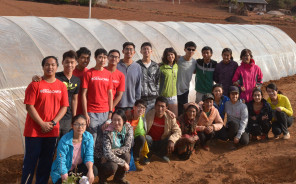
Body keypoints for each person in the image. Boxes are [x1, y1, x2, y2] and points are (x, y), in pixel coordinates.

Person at [21, 56, 68, 184]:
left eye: (53, 65)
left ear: (57, 67)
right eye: (47, 64)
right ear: (43, 67)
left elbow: (64, 107)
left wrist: (53, 123)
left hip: (52, 131)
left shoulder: (61, 86)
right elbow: (29, 106)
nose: (50, 67)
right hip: (34, 131)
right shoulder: (35, 84)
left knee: (46, 162)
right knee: (30, 161)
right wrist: (42, 123)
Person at [32, 50, 81, 137]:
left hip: (68, 117)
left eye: (72, 62)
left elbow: (74, 99)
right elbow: (42, 81)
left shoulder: (76, 80)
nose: (69, 65)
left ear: (76, 63)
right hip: (55, 116)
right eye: (67, 62)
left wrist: (74, 116)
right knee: (53, 141)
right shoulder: (56, 76)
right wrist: (35, 78)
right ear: (62, 63)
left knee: (65, 142)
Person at [51, 115, 98, 184]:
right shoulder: (64, 140)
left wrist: (90, 171)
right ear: (72, 125)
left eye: (83, 124)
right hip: (64, 171)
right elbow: (61, 160)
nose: (80, 127)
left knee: (93, 170)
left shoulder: (88, 137)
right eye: (77, 124)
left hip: (78, 169)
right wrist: (65, 177)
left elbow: (89, 155)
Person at [82, 48, 113, 142]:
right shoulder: (89, 73)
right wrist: (85, 113)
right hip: (92, 111)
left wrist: (110, 112)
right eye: (100, 57)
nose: (102, 60)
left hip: (105, 111)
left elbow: (110, 94)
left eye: (104, 57)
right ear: (95, 58)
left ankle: (101, 157)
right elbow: (83, 94)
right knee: (92, 137)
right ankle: (90, 157)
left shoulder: (108, 74)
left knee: (104, 137)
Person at [94, 109, 133, 184]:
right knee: (113, 166)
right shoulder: (107, 131)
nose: (116, 123)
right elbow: (106, 153)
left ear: (124, 120)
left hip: (109, 154)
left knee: (127, 155)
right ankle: (102, 179)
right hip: (101, 158)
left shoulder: (128, 127)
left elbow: (127, 147)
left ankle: (119, 178)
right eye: (114, 120)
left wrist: (111, 152)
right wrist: (123, 163)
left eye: (119, 120)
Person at [145, 96, 182, 163]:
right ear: (155, 106)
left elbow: (178, 131)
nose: (160, 109)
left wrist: (172, 140)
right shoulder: (148, 114)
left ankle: (161, 154)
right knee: (147, 138)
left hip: (162, 142)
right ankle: (147, 155)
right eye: (158, 106)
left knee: (172, 139)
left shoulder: (171, 118)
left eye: (162, 106)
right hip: (150, 141)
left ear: (166, 108)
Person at [117, 42, 142, 116]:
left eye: (131, 49)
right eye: (127, 49)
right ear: (123, 51)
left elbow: (138, 85)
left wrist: (137, 102)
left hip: (131, 103)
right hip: (118, 103)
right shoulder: (117, 65)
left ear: (134, 52)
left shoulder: (137, 67)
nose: (129, 51)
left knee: (130, 126)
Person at [136, 42, 160, 113]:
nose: (146, 51)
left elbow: (157, 81)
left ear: (151, 51)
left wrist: (157, 94)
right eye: (144, 49)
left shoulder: (155, 66)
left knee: (151, 120)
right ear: (141, 51)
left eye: (148, 49)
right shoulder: (137, 65)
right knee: (141, 119)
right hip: (141, 98)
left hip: (153, 99)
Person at [177, 41, 197, 115]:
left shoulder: (194, 62)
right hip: (174, 90)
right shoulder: (178, 59)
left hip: (184, 90)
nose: (191, 51)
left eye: (193, 50)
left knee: (182, 112)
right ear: (185, 49)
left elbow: (195, 71)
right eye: (189, 49)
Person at [128, 99, 147, 171]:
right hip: (125, 141)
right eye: (139, 107)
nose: (141, 109)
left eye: (143, 108)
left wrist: (168, 111)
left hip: (135, 141)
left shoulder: (142, 118)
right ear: (134, 107)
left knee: (143, 138)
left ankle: (136, 161)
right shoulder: (127, 116)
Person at [159, 47, 179, 116]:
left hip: (173, 96)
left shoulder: (176, 66)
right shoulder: (161, 68)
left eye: (172, 54)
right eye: (168, 55)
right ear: (165, 57)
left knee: (174, 116)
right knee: (164, 116)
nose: (170, 56)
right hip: (164, 95)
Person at [73, 47, 91, 115]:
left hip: (86, 109)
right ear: (77, 59)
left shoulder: (89, 73)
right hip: (73, 107)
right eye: (83, 57)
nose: (86, 60)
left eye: (88, 58)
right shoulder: (71, 72)